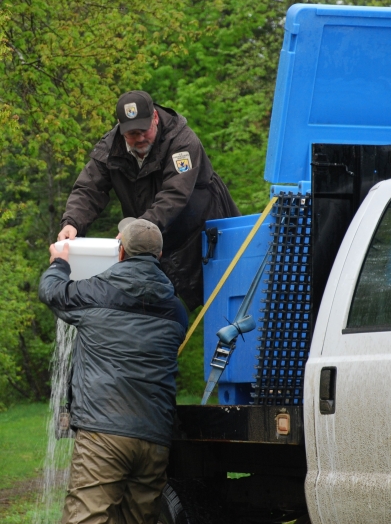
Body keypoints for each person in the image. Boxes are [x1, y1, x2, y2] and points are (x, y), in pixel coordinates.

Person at [39, 218, 189, 524]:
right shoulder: (176, 310)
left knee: (87, 516)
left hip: (103, 434)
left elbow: (51, 291)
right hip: (155, 438)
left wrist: (59, 264)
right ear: (158, 256)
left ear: (120, 253)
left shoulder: (97, 292)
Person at [58, 90, 241, 310]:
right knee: (148, 310)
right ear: (120, 127)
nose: (140, 138)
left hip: (204, 237)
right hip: (152, 243)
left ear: (155, 117)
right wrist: (72, 222)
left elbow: (175, 194)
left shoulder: (182, 142)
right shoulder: (110, 148)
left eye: (144, 130)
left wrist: (136, 230)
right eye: (132, 134)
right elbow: (89, 189)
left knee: (223, 307)